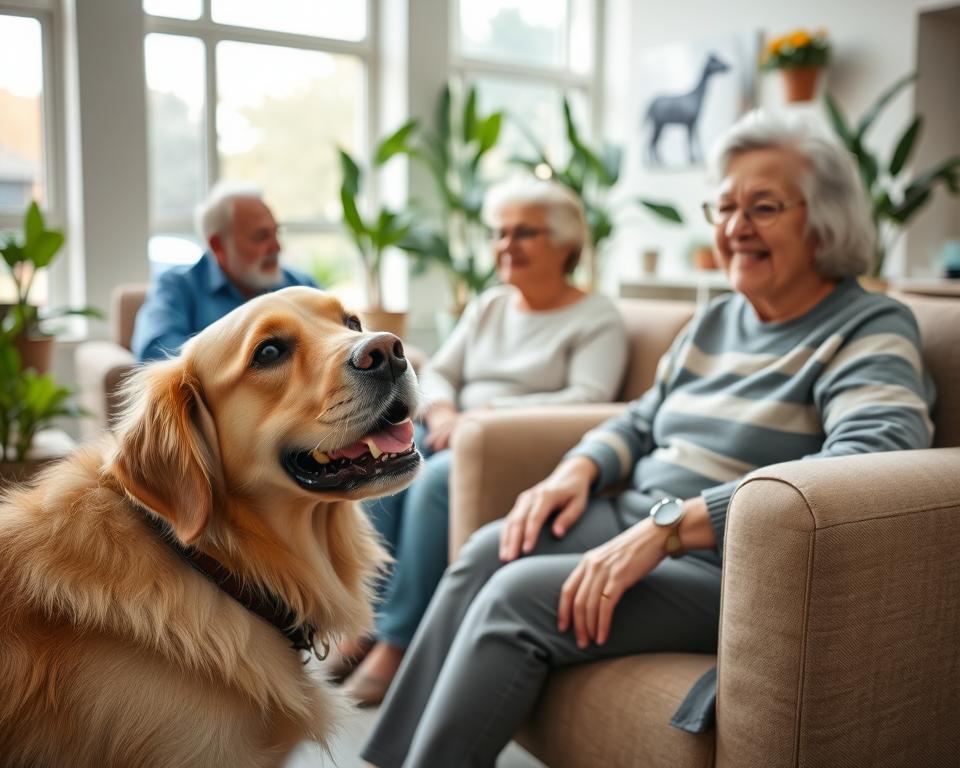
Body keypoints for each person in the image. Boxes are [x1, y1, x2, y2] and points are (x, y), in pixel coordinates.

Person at [360, 110, 937, 767]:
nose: (735, 228)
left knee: (517, 596)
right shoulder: (716, 319)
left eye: (764, 207)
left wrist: (669, 529)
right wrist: (574, 471)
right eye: (723, 208)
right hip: (637, 513)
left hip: (735, 563)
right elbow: (641, 418)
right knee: (488, 548)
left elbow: (871, 462)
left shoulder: (869, 327)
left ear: (826, 218)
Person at [338, 178, 628, 706]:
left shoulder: (596, 317)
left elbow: (589, 397)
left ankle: (399, 643)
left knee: (432, 481)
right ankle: (363, 621)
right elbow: (441, 370)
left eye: (524, 233)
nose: (505, 246)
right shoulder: (491, 305)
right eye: (499, 233)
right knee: (378, 454)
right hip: (457, 426)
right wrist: (445, 409)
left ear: (565, 245)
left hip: (515, 447)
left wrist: (485, 417)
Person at [131, 183, 316, 362]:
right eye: (261, 236)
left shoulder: (300, 284)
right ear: (218, 246)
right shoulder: (177, 287)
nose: (277, 247)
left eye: (276, 233)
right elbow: (154, 351)